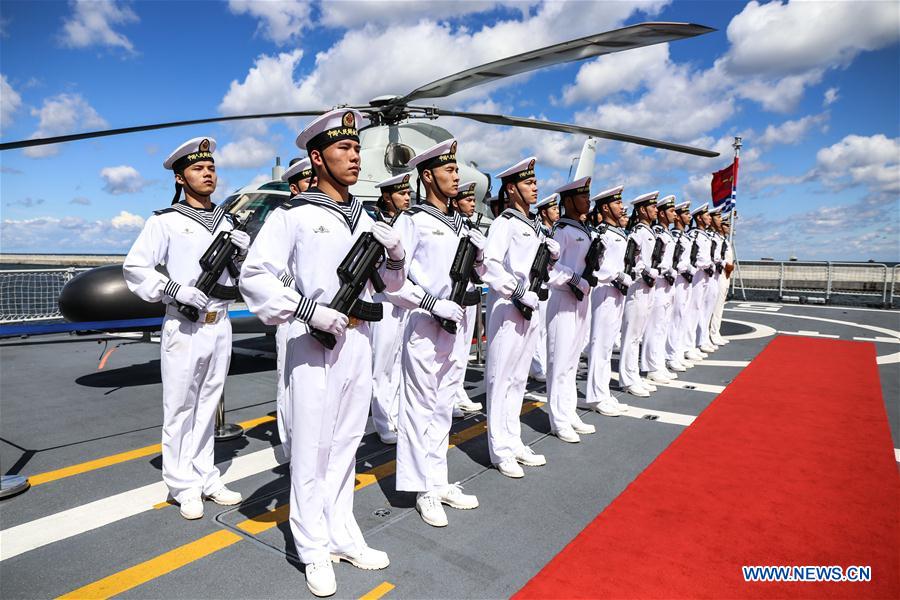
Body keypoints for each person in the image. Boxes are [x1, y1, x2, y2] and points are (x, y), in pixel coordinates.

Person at [239, 109, 406, 597]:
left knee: (348, 443)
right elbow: (256, 275)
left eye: (356, 148)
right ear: (317, 158)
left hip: (358, 341)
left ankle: (342, 533)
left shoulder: (368, 219)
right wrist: (307, 310)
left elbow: (389, 288)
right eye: (343, 149)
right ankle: (311, 546)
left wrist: (395, 257)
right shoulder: (293, 215)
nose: (354, 156)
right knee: (311, 448)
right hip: (312, 342)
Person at [123, 137, 250, 520]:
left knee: (208, 405)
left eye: (211, 167)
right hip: (185, 324)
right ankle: (181, 485)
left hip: (219, 323)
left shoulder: (227, 221)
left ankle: (205, 475)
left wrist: (243, 255)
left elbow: (241, 278)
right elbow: (136, 268)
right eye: (198, 168)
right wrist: (173, 289)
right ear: (181, 178)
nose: (208, 173)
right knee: (179, 407)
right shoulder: (164, 221)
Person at [385, 140, 486, 528]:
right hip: (426, 326)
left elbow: (475, 274)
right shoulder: (412, 221)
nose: (456, 176)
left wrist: (479, 260)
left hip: (456, 324)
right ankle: (421, 488)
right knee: (420, 408)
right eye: (449, 170)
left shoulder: (460, 223)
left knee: (444, 406)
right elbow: (395, 279)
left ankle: (438, 478)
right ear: (428, 176)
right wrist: (430, 303)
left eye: (456, 169)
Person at [481, 157, 560, 478]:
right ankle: (499, 448)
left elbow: (538, 269)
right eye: (528, 183)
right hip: (508, 309)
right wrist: (515, 291)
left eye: (535, 181)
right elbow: (490, 265)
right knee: (500, 380)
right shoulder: (505, 224)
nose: (535, 186)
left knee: (518, 379)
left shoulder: (533, 226)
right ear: (512, 189)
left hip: (530, 308)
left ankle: (513, 440)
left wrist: (552, 260)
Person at [543, 179, 596, 442]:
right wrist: (577, 280)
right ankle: (558, 419)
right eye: (583, 196)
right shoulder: (561, 230)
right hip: (564, 299)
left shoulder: (585, 230)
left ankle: (569, 411)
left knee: (573, 361)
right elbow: (550, 270)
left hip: (582, 299)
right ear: (569, 201)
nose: (588, 200)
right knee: (559, 361)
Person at [274, 157, 315, 459]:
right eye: (306, 180)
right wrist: (298, 287)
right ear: (293, 186)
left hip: (320, 313)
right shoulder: (284, 216)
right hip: (291, 310)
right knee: (287, 381)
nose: (313, 183)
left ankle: (308, 443)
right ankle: (290, 444)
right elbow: (272, 268)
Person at [369, 172, 413, 444]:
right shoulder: (375, 225)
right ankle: (382, 420)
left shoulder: (406, 223)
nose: (407, 198)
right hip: (383, 301)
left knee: (398, 361)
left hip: (404, 301)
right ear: (387, 196)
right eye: (401, 194)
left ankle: (394, 414)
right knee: (381, 363)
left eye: (408, 193)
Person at [583, 186, 632, 416]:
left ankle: (602, 392)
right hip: (604, 292)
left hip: (617, 293)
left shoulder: (618, 233)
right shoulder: (601, 234)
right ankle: (595, 395)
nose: (622, 207)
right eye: (617, 203)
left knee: (608, 343)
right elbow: (596, 265)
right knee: (600, 344)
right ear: (605, 207)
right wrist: (617, 275)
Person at [618, 192, 660, 398]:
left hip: (648, 288)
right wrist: (645, 270)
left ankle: (634, 375)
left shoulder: (648, 231)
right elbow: (631, 259)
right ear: (642, 209)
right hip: (637, 288)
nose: (656, 210)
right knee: (631, 336)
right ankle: (627, 379)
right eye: (652, 207)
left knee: (638, 335)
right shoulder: (638, 232)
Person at [449, 181, 485, 419]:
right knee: (451, 350)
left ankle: (458, 390)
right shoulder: (453, 227)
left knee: (463, 349)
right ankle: (450, 395)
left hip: (470, 291)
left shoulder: (470, 227)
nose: (473, 203)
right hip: (454, 294)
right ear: (455, 202)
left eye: (473, 200)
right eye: (468, 200)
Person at [640, 195, 679, 384]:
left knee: (663, 325)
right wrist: (666, 269)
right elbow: (653, 261)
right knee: (654, 326)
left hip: (668, 285)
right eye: (671, 211)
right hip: (659, 284)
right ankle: (650, 366)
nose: (675, 214)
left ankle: (659, 363)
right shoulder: (656, 233)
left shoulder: (667, 234)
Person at [528, 193, 560, 383]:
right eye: (553, 208)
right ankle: (536, 366)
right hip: (539, 284)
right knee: (537, 328)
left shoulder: (554, 232)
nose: (557, 212)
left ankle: (542, 363)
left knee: (546, 327)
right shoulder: (539, 232)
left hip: (551, 285)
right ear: (543, 212)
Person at [665, 200, 697, 372]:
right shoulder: (675, 237)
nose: (689, 216)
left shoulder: (685, 237)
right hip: (677, 281)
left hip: (686, 282)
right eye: (685, 213)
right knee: (674, 319)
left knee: (683, 317)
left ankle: (677, 352)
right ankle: (671, 355)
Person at [684, 203, 717, 357]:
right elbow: (693, 257)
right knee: (692, 310)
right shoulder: (694, 234)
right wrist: (707, 264)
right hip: (696, 276)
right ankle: (688, 345)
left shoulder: (704, 235)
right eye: (707, 215)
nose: (709, 218)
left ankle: (697, 342)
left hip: (705, 277)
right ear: (699, 218)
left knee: (699, 310)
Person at [708, 209, 732, 346]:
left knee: (720, 307)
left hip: (725, 277)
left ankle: (716, 332)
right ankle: (712, 334)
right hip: (718, 276)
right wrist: (726, 265)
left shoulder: (724, 241)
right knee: (715, 308)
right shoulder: (716, 239)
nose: (729, 228)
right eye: (726, 225)